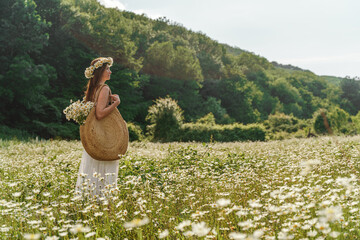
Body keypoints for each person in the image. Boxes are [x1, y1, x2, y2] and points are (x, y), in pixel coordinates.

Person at [75, 57, 121, 199]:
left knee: (94, 169)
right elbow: (100, 114)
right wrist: (116, 103)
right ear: (101, 71)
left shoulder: (93, 88)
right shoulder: (104, 88)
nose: (110, 71)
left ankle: (91, 200)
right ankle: (104, 202)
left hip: (95, 135)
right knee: (105, 170)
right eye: (107, 69)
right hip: (104, 137)